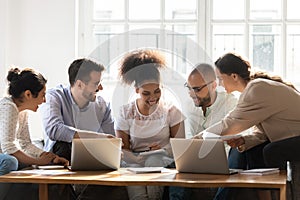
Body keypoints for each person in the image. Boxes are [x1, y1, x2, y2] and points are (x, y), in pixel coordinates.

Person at [195, 52, 300, 199]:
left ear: (234, 76)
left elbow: (230, 123)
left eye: (220, 78)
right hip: (293, 137)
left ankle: (278, 195)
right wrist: (244, 141)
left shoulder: (257, 89)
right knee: (250, 150)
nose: (219, 84)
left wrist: (198, 138)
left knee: (271, 150)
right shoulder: (256, 88)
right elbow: (263, 133)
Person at [115, 49, 185, 200]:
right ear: (137, 90)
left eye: (157, 91)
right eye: (146, 93)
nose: (153, 98)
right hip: (134, 162)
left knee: (154, 160)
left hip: (162, 160)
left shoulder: (172, 111)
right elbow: (122, 149)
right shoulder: (126, 112)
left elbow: (181, 148)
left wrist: (162, 149)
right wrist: (135, 159)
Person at [169, 63, 241, 200]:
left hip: (224, 159)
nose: (191, 94)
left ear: (213, 85)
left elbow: (236, 138)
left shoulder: (230, 103)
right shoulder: (189, 106)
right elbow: (190, 139)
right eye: (188, 88)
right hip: (197, 159)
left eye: (196, 89)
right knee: (176, 165)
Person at [0, 67, 70, 199]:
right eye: (43, 95)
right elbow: (8, 148)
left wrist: (49, 157)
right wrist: (38, 161)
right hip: (4, 158)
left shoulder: (23, 112)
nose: (44, 100)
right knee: (10, 162)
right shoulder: (8, 107)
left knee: (25, 165)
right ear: (28, 94)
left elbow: (25, 143)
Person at [41, 58, 115, 162]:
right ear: (79, 84)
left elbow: (110, 140)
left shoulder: (103, 106)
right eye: (96, 83)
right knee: (64, 146)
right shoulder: (54, 96)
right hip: (60, 158)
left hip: (93, 157)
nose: (101, 88)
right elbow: (54, 129)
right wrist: (97, 137)